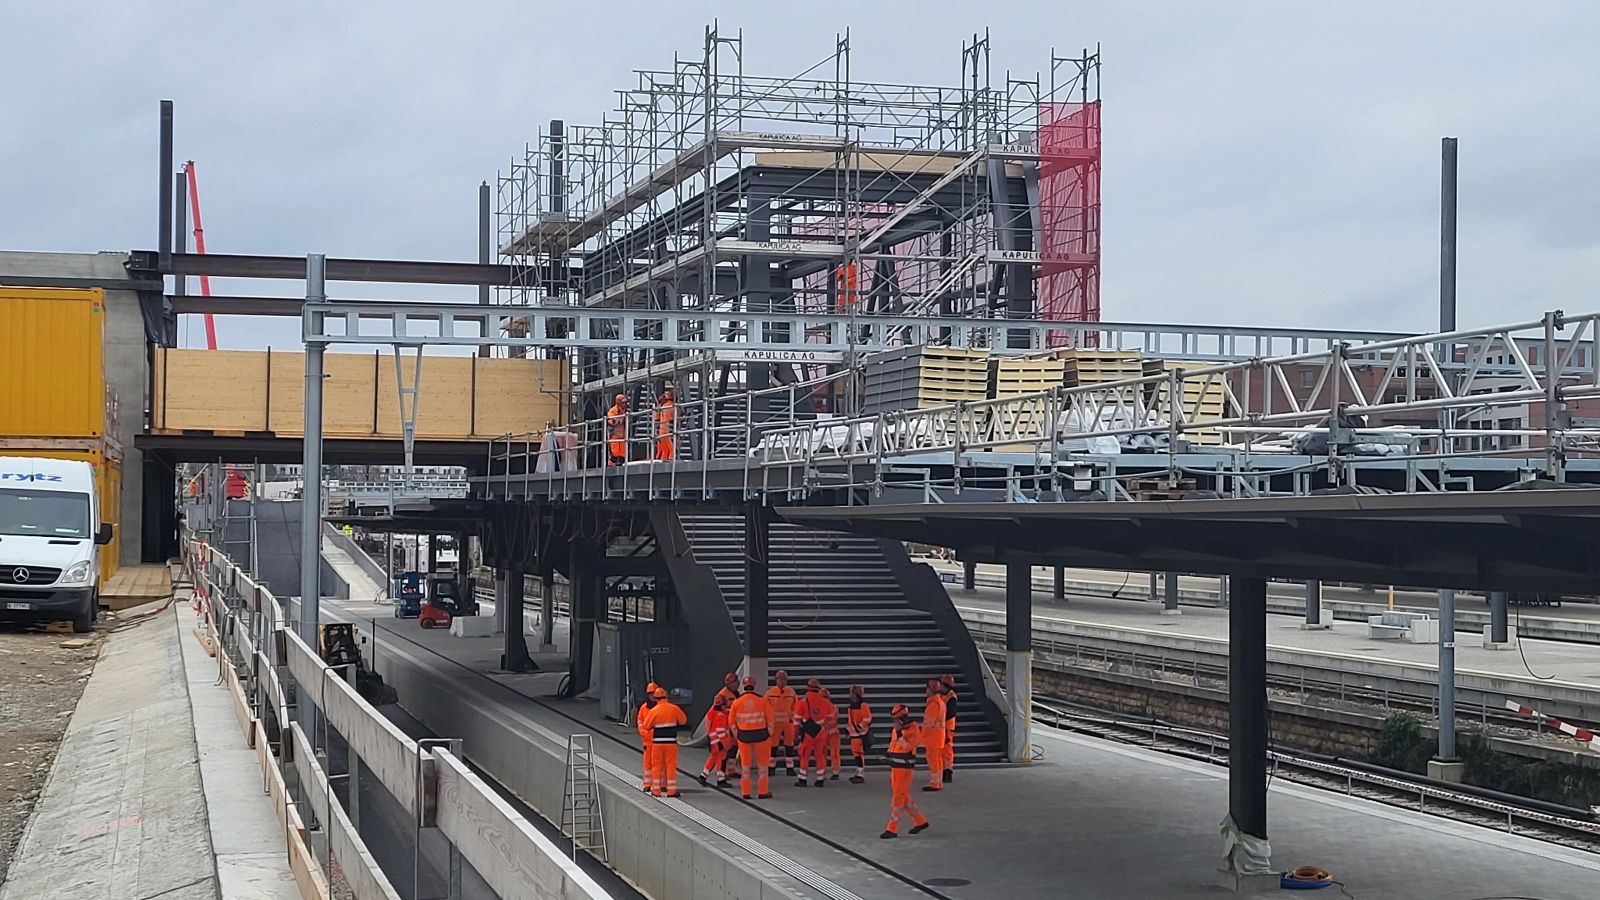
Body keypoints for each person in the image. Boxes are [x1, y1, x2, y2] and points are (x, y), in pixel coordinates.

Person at [880, 703, 930, 839]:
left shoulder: (912, 728)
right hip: (896, 768)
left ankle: (892, 828)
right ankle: (920, 821)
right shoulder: (896, 729)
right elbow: (893, 744)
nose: (894, 722)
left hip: (905, 769)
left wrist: (901, 733)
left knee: (898, 798)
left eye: (896, 720)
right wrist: (887, 755)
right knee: (903, 796)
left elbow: (908, 747)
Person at [729, 677, 774, 799]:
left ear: (743, 687)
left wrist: (737, 735)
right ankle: (762, 791)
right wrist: (769, 733)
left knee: (745, 766)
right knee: (763, 766)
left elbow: (731, 722)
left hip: (744, 736)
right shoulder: (762, 701)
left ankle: (746, 792)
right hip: (761, 736)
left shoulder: (737, 702)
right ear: (754, 686)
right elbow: (770, 719)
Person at [643, 686, 687, 797]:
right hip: (671, 742)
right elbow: (683, 721)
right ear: (666, 697)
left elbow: (646, 726)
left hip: (657, 743)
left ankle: (656, 790)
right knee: (670, 765)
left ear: (656, 698)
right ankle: (671, 791)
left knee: (656, 765)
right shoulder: (674, 708)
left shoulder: (653, 711)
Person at [764, 670, 799, 777]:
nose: (782, 681)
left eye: (784, 679)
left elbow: (796, 707)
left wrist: (793, 719)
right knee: (773, 746)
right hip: (775, 724)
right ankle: (771, 767)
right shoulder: (770, 693)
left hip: (788, 723)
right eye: (780, 679)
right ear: (776, 680)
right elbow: (765, 707)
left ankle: (789, 767)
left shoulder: (791, 692)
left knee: (789, 745)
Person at [795, 678, 827, 787]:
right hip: (821, 732)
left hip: (808, 733)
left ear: (808, 687)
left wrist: (795, 735)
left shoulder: (802, 702)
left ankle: (802, 779)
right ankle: (820, 779)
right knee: (820, 755)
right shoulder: (825, 702)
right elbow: (830, 717)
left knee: (804, 755)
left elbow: (796, 721)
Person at [698, 693, 732, 788]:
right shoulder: (721, 715)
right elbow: (720, 731)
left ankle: (703, 776)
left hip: (713, 741)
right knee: (721, 760)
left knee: (713, 758)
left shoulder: (711, 712)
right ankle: (721, 780)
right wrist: (726, 743)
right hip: (719, 741)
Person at [920, 678, 947, 792]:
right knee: (938, 761)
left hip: (932, 738)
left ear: (930, 689)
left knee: (933, 761)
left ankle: (935, 784)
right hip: (939, 737)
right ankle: (938, 782)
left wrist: (920, 737)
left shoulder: (933, 704)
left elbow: (928, 724)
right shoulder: (940, 702)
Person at [845, 684, 873, 784]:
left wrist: (859, 727)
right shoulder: (852, 707)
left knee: (858, 754)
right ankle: (859, 772)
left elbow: (867, 719)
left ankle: (860, 774)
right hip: (854, 735)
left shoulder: (862, 705)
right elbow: (850, 721)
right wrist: (848, 731)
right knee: (856, 754)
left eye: (851, 693)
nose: (849, 695)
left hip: (859, 735)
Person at [636, 681, 660, 794]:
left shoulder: (660, 707)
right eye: (650, 694)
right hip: (647, 742)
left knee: (658, 764)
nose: (652, 696)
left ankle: (658, 784)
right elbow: (640, 722)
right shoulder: (643, 708)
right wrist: (644, 734)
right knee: (647, 764)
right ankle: (647, 784)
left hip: (657, 741)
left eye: (653, 694)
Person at [819, 687, 842, 780]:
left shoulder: (834, 707)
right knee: (821, 753)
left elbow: (829, 719)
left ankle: (835, 772)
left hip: (833, 734)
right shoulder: (819, 709)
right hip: (823, 734)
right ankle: (822, 771)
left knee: (834, 753)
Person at [939, 674, 958, 783]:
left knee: (947, 750)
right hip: (942, 728)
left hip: (947, 728)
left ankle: (947, 771)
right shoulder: (944, 696)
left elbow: (950, 714)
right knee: (943, 750)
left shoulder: (951, 697)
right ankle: (944, 770)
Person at [654, 388, 676, 461]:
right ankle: (670, 458)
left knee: (664, 448)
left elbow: (656, 418)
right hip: (668, 429)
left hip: (663, 429)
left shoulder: (663, 406)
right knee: (669, 446)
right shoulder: (671, 405)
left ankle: (662, 458)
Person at [606, 394, 629, 466]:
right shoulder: (612, 411)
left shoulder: (626, 410)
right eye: (623, 403)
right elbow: (611, 422)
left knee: (622, 456)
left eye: (625, 402)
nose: (625, 404)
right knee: (614, 455)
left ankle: (621, 469)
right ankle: (610, 468)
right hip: (614, 436)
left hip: (623, 436)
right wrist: (620, 417)